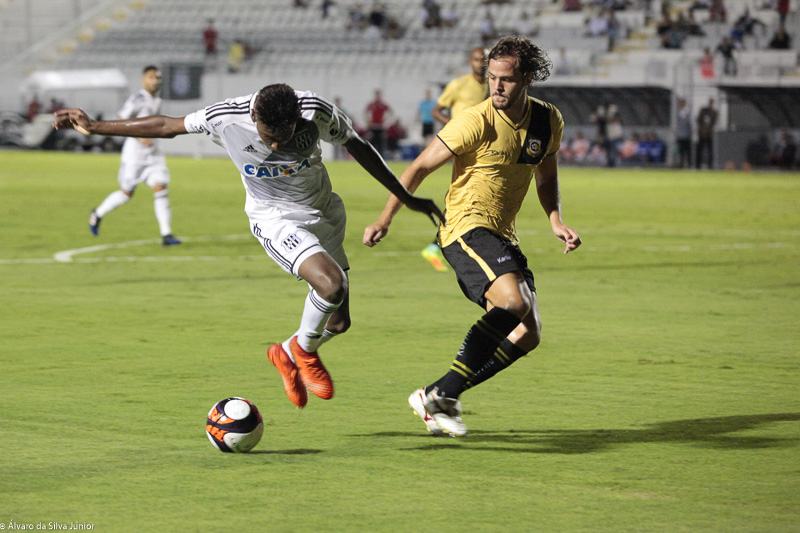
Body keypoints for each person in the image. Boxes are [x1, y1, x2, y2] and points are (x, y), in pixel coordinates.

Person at [54, 83, 444, 409]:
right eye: (267, 136)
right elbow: (167, 125)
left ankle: (288, 352)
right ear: (254, 115)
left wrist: (403, 197)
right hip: (274, 216)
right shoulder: (226, 116)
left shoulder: (316, 111)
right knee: (330, 285)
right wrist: (96, 125)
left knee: (339, 322)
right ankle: (304, 352)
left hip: (323, 210)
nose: (273, 146)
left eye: (282, 137)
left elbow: (358, 146)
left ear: (296, 120)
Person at [363, 36, 581, 436]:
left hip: (502, 233)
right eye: (491, 77)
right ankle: (442, 395)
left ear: (528, 78)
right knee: (514, 302)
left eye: (506, 79)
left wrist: (555, 220)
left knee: (528, 333)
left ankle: (437, 393)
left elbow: (546, 176)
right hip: (464, 226)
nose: (496, 86)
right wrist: (385, 218)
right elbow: (418, 167)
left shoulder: (548, 120)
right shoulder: (474, 121)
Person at [85, 66, 180, 246]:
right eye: (151, 77)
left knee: (161, 188)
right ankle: (97, 213)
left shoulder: (157, 100)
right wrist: (140, 136)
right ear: (143, 80)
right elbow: (122, 119)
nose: (155, 81)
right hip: (134, 156)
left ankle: (166, 234)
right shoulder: (137, 99)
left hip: (154, 155)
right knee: (126, 193)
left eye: (158, 78)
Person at [423, 46, 489, 272]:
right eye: (477, 59)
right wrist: (455, 126)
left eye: (484, 59)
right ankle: (439, 245)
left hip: (476, 147)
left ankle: (440, 244)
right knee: (467, 195)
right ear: (470, 62)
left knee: (471, 195)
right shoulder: (458, 84)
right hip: (461, 145)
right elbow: (436, 110)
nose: (481, 63)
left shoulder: (487, 85)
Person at [364, 89, 392, 157]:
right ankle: (371, 156)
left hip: (381, 126)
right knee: (372, 142)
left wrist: (386, 120)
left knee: (381, 143)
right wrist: (367, 120)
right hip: (373, 126)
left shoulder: (383, 104)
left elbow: (390, 112)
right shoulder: (372, 104)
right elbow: (365, 111)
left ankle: (380, 156)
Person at [696, 97, 717, 169]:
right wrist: (702, 129)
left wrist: (708, 129)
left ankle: (710, 165)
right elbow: (698, 120)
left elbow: (714, 122)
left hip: (709, 134)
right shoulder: (703, 110)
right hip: (702, 134)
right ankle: (698, 165)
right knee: (699, 149)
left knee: (710, 150)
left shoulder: (714, 112)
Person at [676, 97, 692, 168]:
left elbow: (690, 123)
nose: (681, 104)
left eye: (682, 102)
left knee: (688, 151)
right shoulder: (678, 112)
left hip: (687, 135)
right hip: (680, 135)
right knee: (681, 151)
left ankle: (689, 164)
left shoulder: (687, 112)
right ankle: (681, 164)